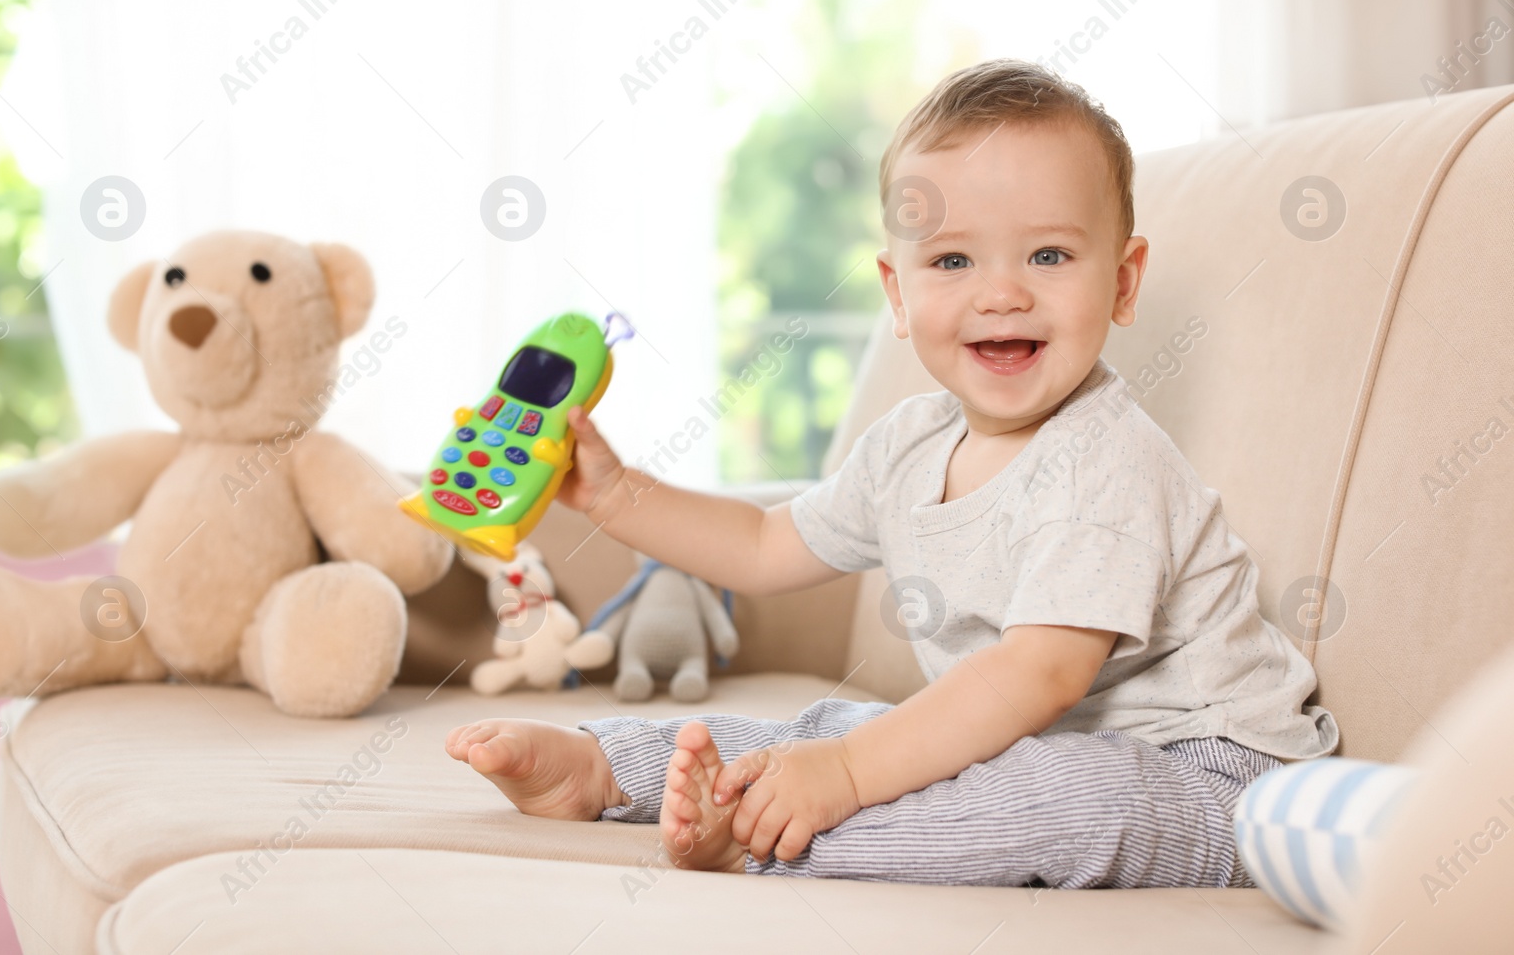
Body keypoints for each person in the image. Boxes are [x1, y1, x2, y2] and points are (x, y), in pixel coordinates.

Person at [444, 58, 1339, 888]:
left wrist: (841, 779)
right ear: (898, 293)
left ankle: (762, 844)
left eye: (1050, 256)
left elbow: (1039, 676)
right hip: (1030, 740)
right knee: (837, 729)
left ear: (1125, 282)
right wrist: (615, 494)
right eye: (953, 260)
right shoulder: (909, 443)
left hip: (1207, 774)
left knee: (1043, 799)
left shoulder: (1108, 461)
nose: (1001, 292)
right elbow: (762, 545)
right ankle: (603, 769)